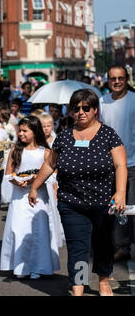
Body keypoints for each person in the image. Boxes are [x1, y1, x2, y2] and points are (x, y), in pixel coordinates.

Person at [29, 89, 127, 296]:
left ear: (94, 110)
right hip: (71, 202)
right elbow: (49, 164)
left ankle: (103, 281)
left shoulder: (108, 134)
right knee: (78, 248)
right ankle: (79, 286)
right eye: (76, 108)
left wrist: (120, 193)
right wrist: (34, 186)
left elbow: (120, 166)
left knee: (102, 244)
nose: (81, 112)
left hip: (103, 202)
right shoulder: (64, 136)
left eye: (86, 108)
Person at [0, 115, 60, 280]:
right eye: (20, 130)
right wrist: (16, 180)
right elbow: (8, 174)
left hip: (39, 197)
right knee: (19, 229)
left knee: (38, 232)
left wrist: (37, 180)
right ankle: (21, 266)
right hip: (19, 197)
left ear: (35, 131)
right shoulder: (15, 150)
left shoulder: (45, 152)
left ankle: (38, 266)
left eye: (25, 131)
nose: (21, 134)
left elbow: (53, 175)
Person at [99, 65, 135, 262]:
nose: (117, 82)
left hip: (132, 163)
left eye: (120, 78)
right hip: (109, 164)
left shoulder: (134, 100)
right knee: (115, 208)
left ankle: (125, 244)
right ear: (108, 80)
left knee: (130, 207)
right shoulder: (102, 102)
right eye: (113, 78)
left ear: (126, 79)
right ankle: (121, 246)